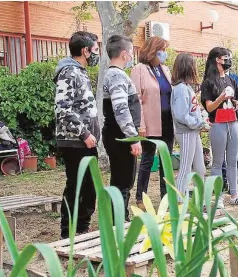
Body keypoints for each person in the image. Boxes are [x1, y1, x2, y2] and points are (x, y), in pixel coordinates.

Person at [54, 31, 100, 239]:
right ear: (85, 50)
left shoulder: (79, 71)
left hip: (86, 141)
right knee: (76, 186)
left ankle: (82, 228)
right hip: (74, 141)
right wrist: (84, 133)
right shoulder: (68, 73)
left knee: (90, 187)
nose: (97, 54)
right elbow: (62, 109)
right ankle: (68, 232)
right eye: (95, 50)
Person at [201, 47, 238, 208]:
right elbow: (209, 107)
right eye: (226, 57)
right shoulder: (208, 82)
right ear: (217, 60)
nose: (228, 60)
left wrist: (236, 103)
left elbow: (236, 100)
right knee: (218, 162)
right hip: (218, 123)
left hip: (232, 122)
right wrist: (221, 97)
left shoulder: (231, 80)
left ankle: (234, 194)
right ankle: (219, 196)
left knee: (232, 161)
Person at [102, 35, 142, 222]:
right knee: (123, 181)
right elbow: (121, 109)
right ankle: (118, 220)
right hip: (120, 136)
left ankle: (117, 218)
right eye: (132, 52)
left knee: (121, 178)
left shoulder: (112, 74)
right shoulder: (117, 75)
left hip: (117, 134)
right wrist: (132, 138)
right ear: (125, 54)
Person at [131, 36, 173, 208]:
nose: (164, 53)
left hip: (167, 121)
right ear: (153, 50)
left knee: (166, 161)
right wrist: (140, 124)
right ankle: (141, 197)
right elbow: (136, 99)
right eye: (162, 49)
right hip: (149, 122)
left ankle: (166, 197)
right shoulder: (139, 69)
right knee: (148, 159)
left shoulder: (165, 69)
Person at [171, 53, 207, 202]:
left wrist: (202, 121)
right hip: (185, 132)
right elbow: (181, 115)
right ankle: (179, 201)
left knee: (200, 167)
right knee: (185, 168)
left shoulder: (186, 88)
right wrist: (198, 123)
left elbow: (192, 110)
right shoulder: (180, 89)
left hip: (193, 131)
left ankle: (201, 198)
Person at [222, 49, 238, 192]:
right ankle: (223, 181)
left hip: (233, 119)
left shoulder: (236, 79)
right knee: (220, 154)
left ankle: (233, 183)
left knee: (233, 153)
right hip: (219, 121)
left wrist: (237, 112)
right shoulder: (213, 78)